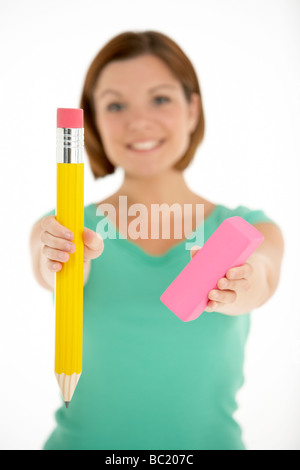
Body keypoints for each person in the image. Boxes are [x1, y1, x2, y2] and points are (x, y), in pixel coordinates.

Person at [29, 31, 284, 450]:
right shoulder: (62, 224)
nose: (138, 121)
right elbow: (44, 263)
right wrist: (55, 256)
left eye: (160, 98)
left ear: (192, 108)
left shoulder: (250, 228)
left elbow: (265, 274)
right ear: (92, 119)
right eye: (115, 105)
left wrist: (244, 281)